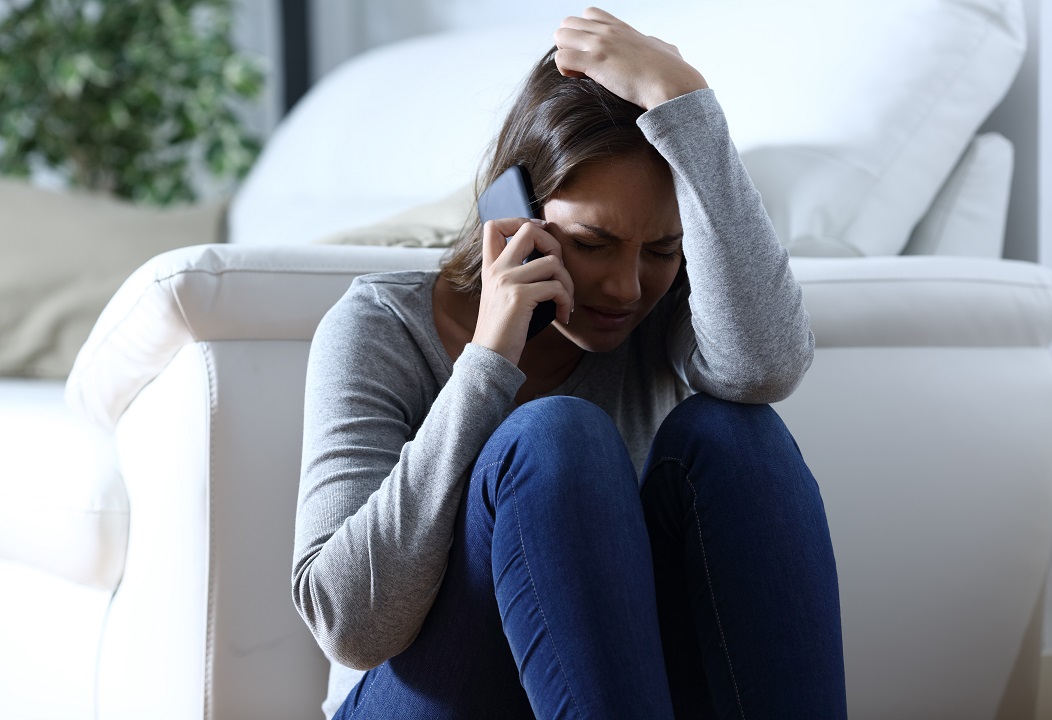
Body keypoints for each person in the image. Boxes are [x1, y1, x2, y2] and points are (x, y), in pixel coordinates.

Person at [293, 7, 846, 719]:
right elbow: (352, 624)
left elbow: (766, 370)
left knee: (739, 435)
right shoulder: (379, 327)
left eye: (660, 250)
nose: (626, 289)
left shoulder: (666, 319)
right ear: (513, 210)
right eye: (591, 243)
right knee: (555, 438)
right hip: (430, 697)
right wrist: (489, 363)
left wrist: (687, 106)